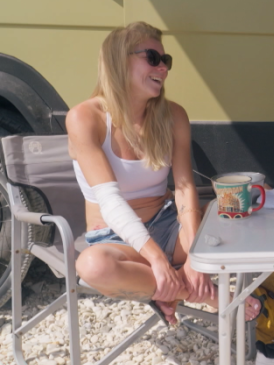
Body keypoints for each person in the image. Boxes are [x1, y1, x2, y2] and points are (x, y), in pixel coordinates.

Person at [68, 21, 262, 326]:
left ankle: (169, 285)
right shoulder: (84, 117)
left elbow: (185, 188)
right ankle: (198, 291)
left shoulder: (172, 115)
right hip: (118, 239)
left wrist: (195, 254)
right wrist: (158, 259)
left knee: (239, 204)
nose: (163, 68)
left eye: (166, 61)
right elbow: (109, 200)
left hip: (169, 225)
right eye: (153, 58)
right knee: (92, 266)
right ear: (119, 60)